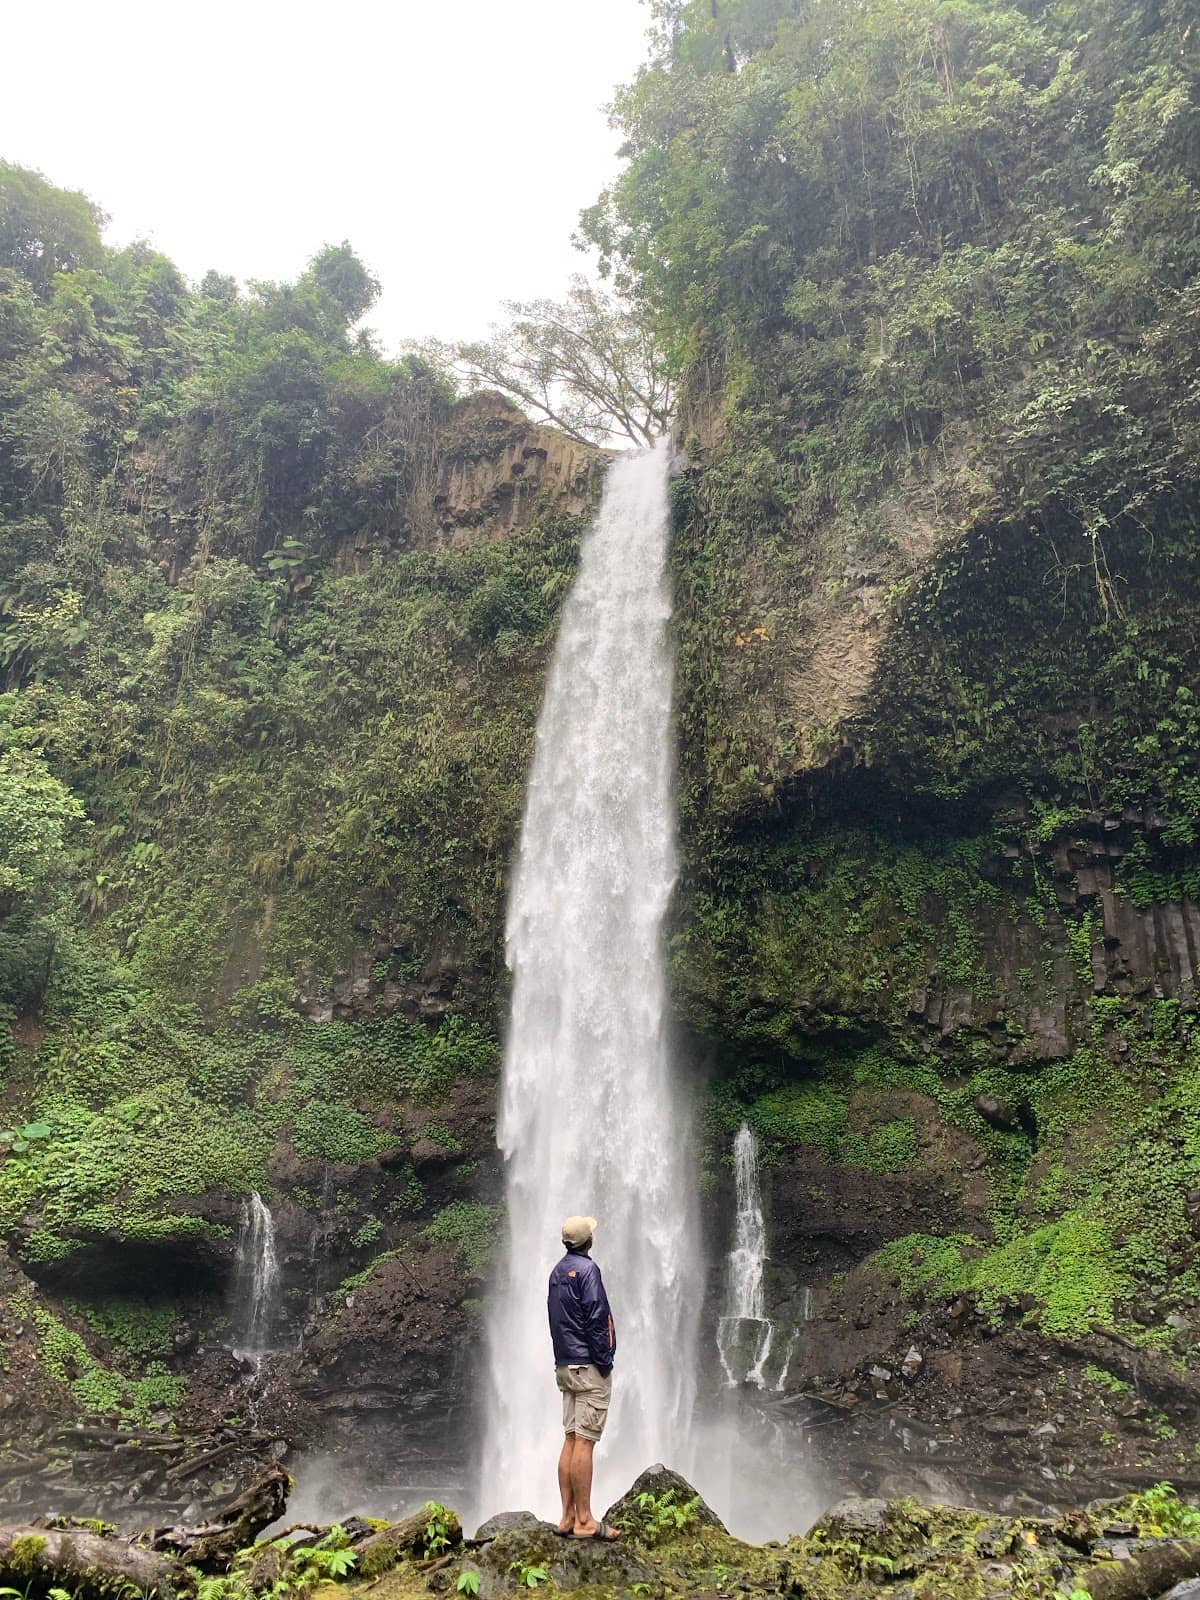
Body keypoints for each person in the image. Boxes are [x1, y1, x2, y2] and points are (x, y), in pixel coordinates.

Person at [547, 1214, 619, 1540]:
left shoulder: (556, 1273)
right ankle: (586, 1520)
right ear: (587, 1241)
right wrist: (605, 1362)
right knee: (585, 1442)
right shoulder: (588, 1271)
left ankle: (566, 1517)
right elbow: (596, 1317)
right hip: (588, 1366)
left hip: (565, 1365)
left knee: (572, 1437)